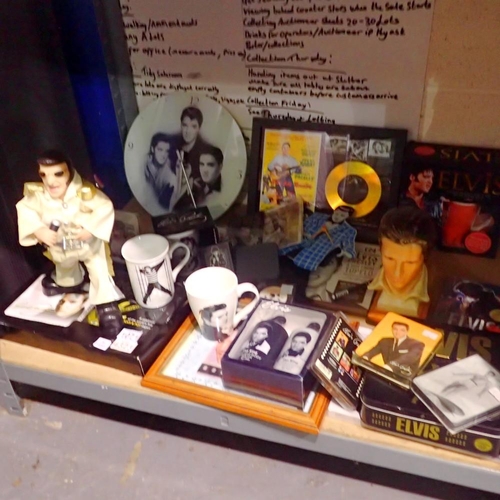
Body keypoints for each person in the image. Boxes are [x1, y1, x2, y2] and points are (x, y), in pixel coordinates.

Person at [16, 150, 123, 329]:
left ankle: (106, 304)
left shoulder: (84, 192)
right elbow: (25, 209)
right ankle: (69, 283)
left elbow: (104, 207)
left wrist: (90, 228)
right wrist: (39, 230)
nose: (50, 181)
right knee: (65, 270)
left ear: (69, 172)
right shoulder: (39, 194)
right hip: (60, 247)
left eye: (58, 174)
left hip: (88, 246)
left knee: (99, 271)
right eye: (44, 175)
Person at [368, 206, 436, 318]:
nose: (397, 273)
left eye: (410, 262)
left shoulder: (437, 289)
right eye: (389, 259)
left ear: (424, 258)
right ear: (380, 250)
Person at [281, 206, 357, 271]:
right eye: (336, 213)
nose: (337, 217)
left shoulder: (349, 231)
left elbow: (349, 246)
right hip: (294, 245)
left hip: (311, 256)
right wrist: (305, 233)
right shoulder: (317, 216)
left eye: (342, 215)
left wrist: (344, 252)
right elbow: (302, 226)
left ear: (347, 217)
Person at [360, 321, 425, 377]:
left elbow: (410, 357)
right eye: (395, 329)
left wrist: (390, 366)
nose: (398, 332)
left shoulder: (417, 344)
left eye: (402, 330)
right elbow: (373, 351)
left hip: (405, 377)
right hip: (386, 373)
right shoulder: (385, 341)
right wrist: (365, 357)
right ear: (392, 330)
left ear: (406, 332)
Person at [145, 132, 185, 211]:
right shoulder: (144, 165)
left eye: (166, 151)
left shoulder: (170, 177)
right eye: (160, 150)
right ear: (152, 149)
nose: (163, 155)